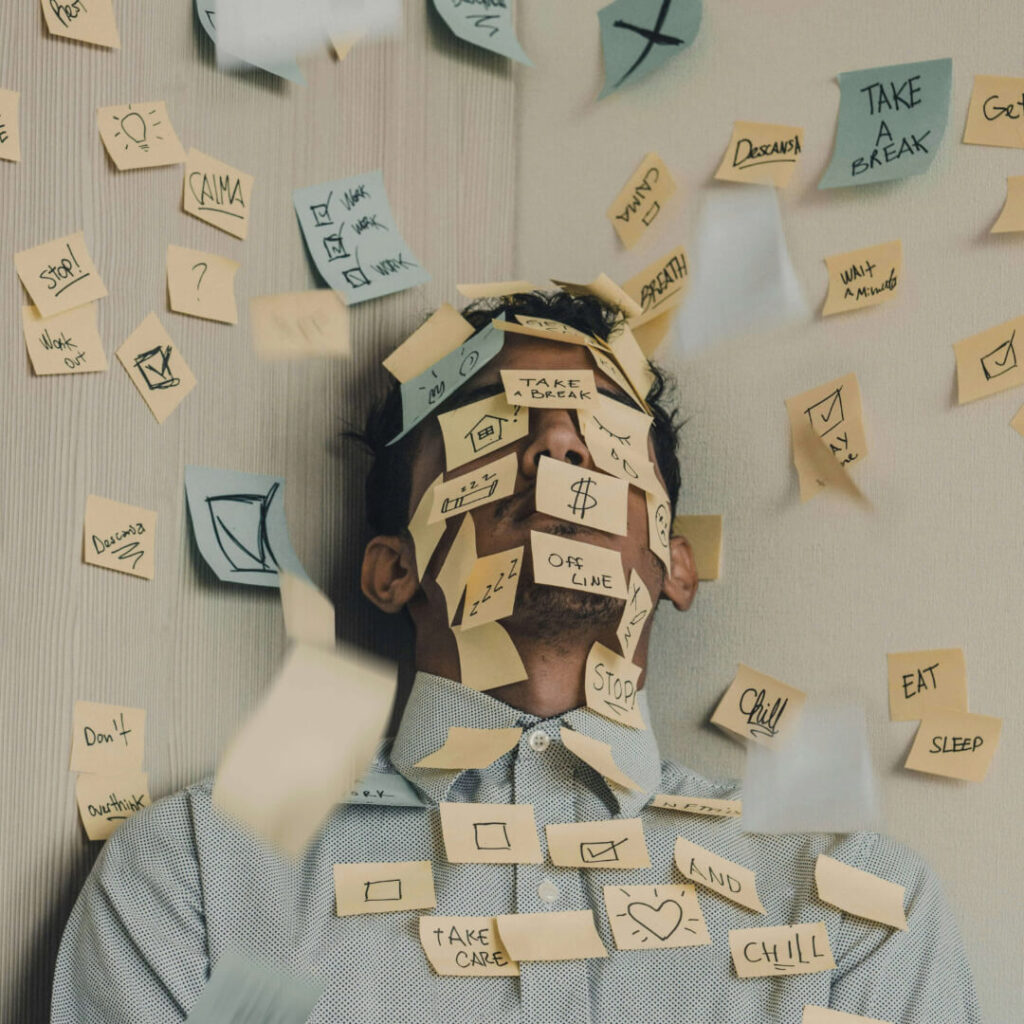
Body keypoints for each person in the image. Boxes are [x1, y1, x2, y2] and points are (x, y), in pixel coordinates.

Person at [52, 291, 981, 1023]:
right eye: (492, 420)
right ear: (391, 569)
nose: (557, 440)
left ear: (675, 562)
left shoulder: (858, 913)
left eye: (603, 429)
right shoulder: (200, 877)